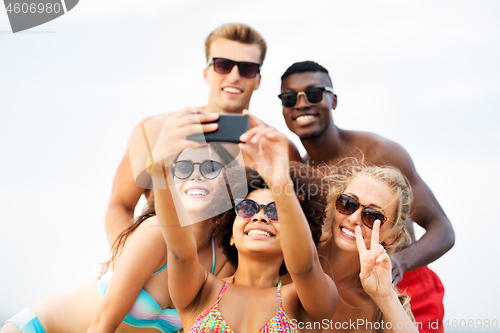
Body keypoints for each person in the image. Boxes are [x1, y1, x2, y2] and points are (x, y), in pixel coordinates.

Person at [278, 60, 454, 332]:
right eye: (290, 98)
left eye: (313, 94)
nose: (301, 104)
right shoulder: (302, 173)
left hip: (406, 281)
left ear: (333, 100)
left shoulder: (380, 153)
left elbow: (442, 228)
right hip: (343, 292)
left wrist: (399, 263)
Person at [0, 139, 236, 333]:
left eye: (211, 168)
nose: (197, 175)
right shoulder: (156, 232)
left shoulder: (223, 257)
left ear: (226, 181)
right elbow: (102, 323)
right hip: (39, 328)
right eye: (184, 168)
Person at [105, 22, 300, 246]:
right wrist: (122, 258)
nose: (235, 76)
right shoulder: (157, 130)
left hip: (230, 277)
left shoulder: (276, 147)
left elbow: (292, 221)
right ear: (207, 72)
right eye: (223, 65)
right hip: (157, 268)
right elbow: (120, 204)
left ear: (258, 79)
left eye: (247, 68)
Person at [149, 123, 338, 332]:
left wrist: (281, 185)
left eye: (275, 211)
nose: (259, 216)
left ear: (295, 234)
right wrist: (161, 170)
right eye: (247, 208)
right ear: (230, 232)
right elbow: (179, 250)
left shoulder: (300, 301)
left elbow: (305, 266)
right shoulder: (201, 289)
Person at [318, 163, 418, 333]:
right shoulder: (294, 256)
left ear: (392, 236)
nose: (354, 218)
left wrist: (385, 297)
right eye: (348, 203)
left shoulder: (382, 308)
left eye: (372, 216)